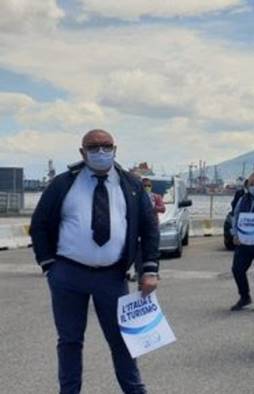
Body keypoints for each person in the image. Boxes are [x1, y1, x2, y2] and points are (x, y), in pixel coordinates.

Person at [30, 129, 160, 394]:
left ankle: (135, 391)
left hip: (111, 277)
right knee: (69, 341)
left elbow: (149, 229)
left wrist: (149, 270)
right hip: (68, 274)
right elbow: (40, 224)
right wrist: (48, 266)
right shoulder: (64, 184)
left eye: (106, 146)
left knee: (122, 341)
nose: (100, 152)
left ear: (115, 149)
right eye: (93, 147)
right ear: (82, 152)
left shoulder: (131, 185)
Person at [230, 172, 254, 313]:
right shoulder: (242, 199)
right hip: (243, 242)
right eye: (251, 184)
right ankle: (245, 297)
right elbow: (235, 216)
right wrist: (234, 234)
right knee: (237, 269)